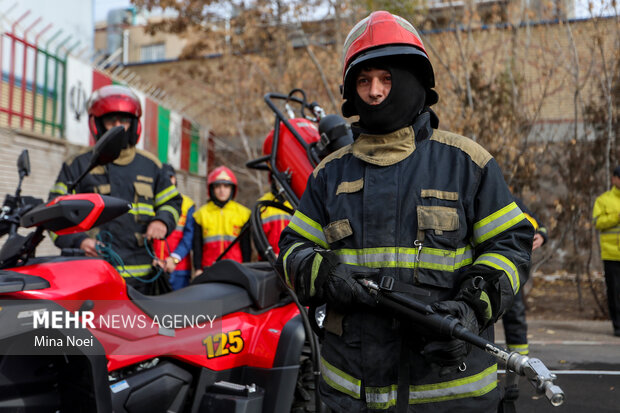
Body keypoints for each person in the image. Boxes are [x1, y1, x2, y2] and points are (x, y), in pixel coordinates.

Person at [277, 11, 533, 412]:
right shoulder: (330, 174)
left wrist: (470, 309)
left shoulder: (467, 163)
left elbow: (511, 247)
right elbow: (292, 250)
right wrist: (326, 275)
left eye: (386, 78)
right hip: (351, 395)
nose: (375, 92)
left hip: (451, 394)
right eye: (364, 81)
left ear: (414, 80)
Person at [49, 85, 182, 294]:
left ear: (134, 125)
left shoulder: (151, 165)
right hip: (91, 277)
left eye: (124, 121)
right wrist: (80, 241)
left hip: (142, 282)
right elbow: (53, 215)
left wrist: (162, 220)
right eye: (112, 121)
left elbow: (172, 202)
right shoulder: (78, 165)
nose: (118, 127)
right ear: (98, 125)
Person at [502, 196, 548, 355]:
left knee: (514, 312)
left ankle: (519, 358)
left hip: (508, 266)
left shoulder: (508, 199)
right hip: (480, 268)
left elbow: (537, 225)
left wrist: (541, 235)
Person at [193, 166, 251, 276]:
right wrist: (197, 268)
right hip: (209, 268)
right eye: (217, 186)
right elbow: (197, 246)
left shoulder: (244, 213)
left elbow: (246, 247)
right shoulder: (200, 214)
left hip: (236, 268)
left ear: (232, 189)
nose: (222, 190)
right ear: (211, 189)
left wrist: (246, 268)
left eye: (226, 186)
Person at [153, 163, 196, 290]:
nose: (167, 181)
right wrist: (152, 258)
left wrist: (174, 259)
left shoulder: (187, 204)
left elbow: (189, 237)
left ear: (175, 179)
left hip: (179, 269)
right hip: (154, 266)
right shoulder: (150, 203)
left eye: (170, 177)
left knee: (178, 308)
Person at [592, 166, 620, 337]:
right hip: (611, 254)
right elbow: (598, 222)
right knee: (614, 292)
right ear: (614, 179)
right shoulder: (603, 200)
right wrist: (616, 217)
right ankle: (617, 326)